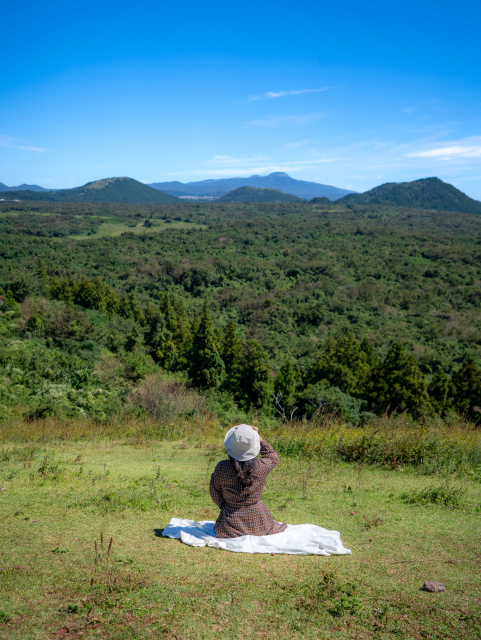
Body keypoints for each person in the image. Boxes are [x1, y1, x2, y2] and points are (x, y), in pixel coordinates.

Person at [209, 424, 287, 538]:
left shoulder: (222, 467)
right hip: (260, 523)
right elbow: (272, 456)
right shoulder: (261, 466)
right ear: (253, 446)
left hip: (229, 525)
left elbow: (214, 491)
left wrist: (226, 506)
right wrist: (259, 439)